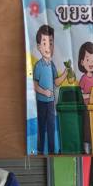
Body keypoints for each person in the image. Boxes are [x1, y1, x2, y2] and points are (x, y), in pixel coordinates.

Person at [32, 24, 58, 153]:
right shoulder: (38, 66)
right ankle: (40, 150)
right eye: (44, 43)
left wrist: (66, 73)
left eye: (50, 43)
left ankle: (52, 150)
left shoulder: (52, 65)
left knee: (51, 127)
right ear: (39, 47)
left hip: (51, 102)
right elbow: (34, 85)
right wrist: (44, 92)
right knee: (41, 126)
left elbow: (56, 82)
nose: (48, 47)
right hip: (41, 102)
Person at [76, 40, 93, 156]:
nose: (91, 63)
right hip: (86, 108)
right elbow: (80, 94)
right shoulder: (83, 79)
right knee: (87, 128)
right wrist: (89, 95)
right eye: (88, 60)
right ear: (82, 62)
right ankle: (86, 145)